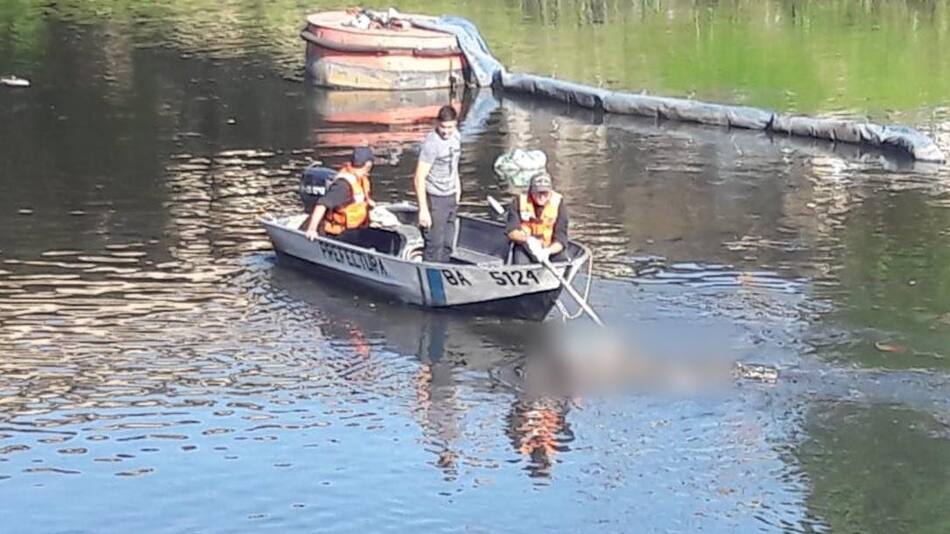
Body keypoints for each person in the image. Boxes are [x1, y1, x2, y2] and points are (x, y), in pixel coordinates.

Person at [414, 105, 461, 262]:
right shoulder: (431, 144)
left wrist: (458, 188)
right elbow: (419, 177)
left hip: (451, 195)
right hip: (434, 198)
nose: (446, 132)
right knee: (435, 244)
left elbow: (454, 164)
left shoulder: (456, 138)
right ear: (437, 124)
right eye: (443, 127)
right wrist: (423, 210)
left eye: (450, 127)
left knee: (447, 243)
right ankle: (431, 280)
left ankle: (444, 277)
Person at [304, 146, 375, 240]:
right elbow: (322, 204)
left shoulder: (360, 179)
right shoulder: (343, 185)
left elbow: (356, 201)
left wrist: (368, 204)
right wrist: (312, 229)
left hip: (355, 229)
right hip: (339, 234)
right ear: (368, 164)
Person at [506, 172, 569, 264]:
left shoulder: (558, 204)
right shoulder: (519, 202)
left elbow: (561, 239)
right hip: (526, 247)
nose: (542, 197)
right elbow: (511, 232)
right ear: (531, 191)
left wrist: (547, 252)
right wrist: (528, 240)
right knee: (520, 262)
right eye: (538, 193)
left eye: (545, 193)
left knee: (562, 260)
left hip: (550, 248)